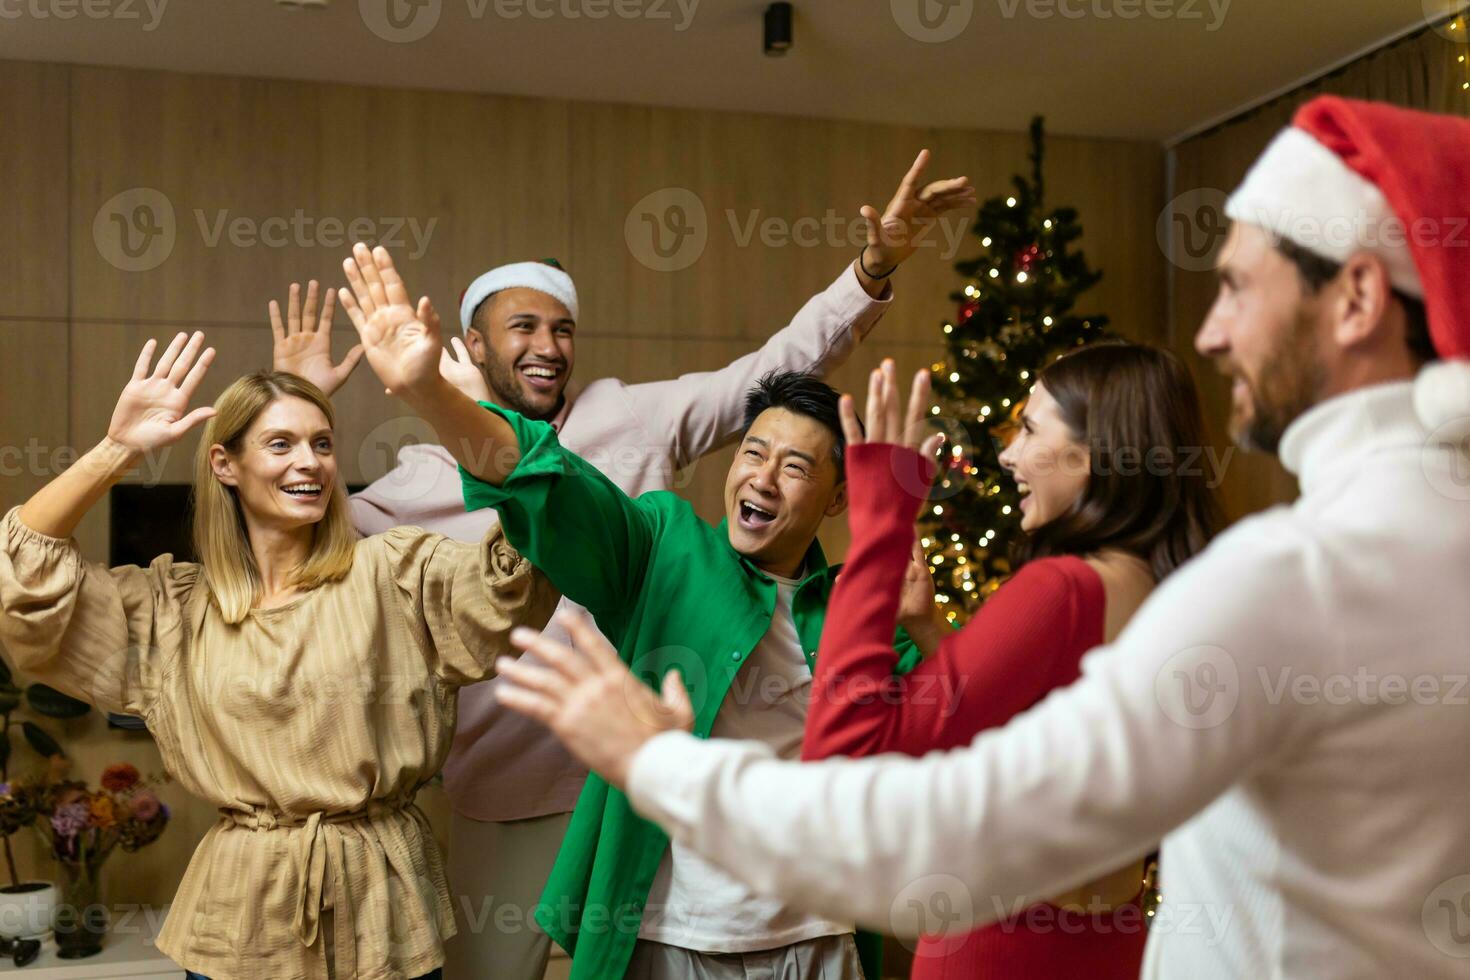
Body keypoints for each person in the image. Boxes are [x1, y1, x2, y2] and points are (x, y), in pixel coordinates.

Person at [492, 96, 1470, 979]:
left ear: (1355, 298)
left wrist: (658, 760)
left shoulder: (1286, 574)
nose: (1211, 335)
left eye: (1238, 288)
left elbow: (937, 823)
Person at [271, 151, 974, 979]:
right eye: (523, 329)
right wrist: (296, 394)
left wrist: (873, 267)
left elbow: (777, 372)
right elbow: (305, 537)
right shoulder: (428, 477)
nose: (547, 346)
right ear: (473, 345)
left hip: (645, 773)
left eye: (561, 328)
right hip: (510, 790)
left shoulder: (633, 420)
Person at [0, 333, 558, 980]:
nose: (311, 463)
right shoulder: (172, 613)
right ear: (223, 464)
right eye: (281, 444)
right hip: (238, 922)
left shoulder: (397, 574)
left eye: (322, 443)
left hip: (384, 914)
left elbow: (521, 574)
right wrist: (115, 451)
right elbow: (23, 582)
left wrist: (473, 422)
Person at [801, 342, 1220, 978]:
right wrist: (932, 630)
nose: (1008, 453)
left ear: (1095, 452)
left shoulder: (1064, 591)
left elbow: (843, 754)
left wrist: (879, 527)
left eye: (1027, 428)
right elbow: (1051, 735)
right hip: (1113, 943)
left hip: (1001, 948)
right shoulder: (1182, 591)